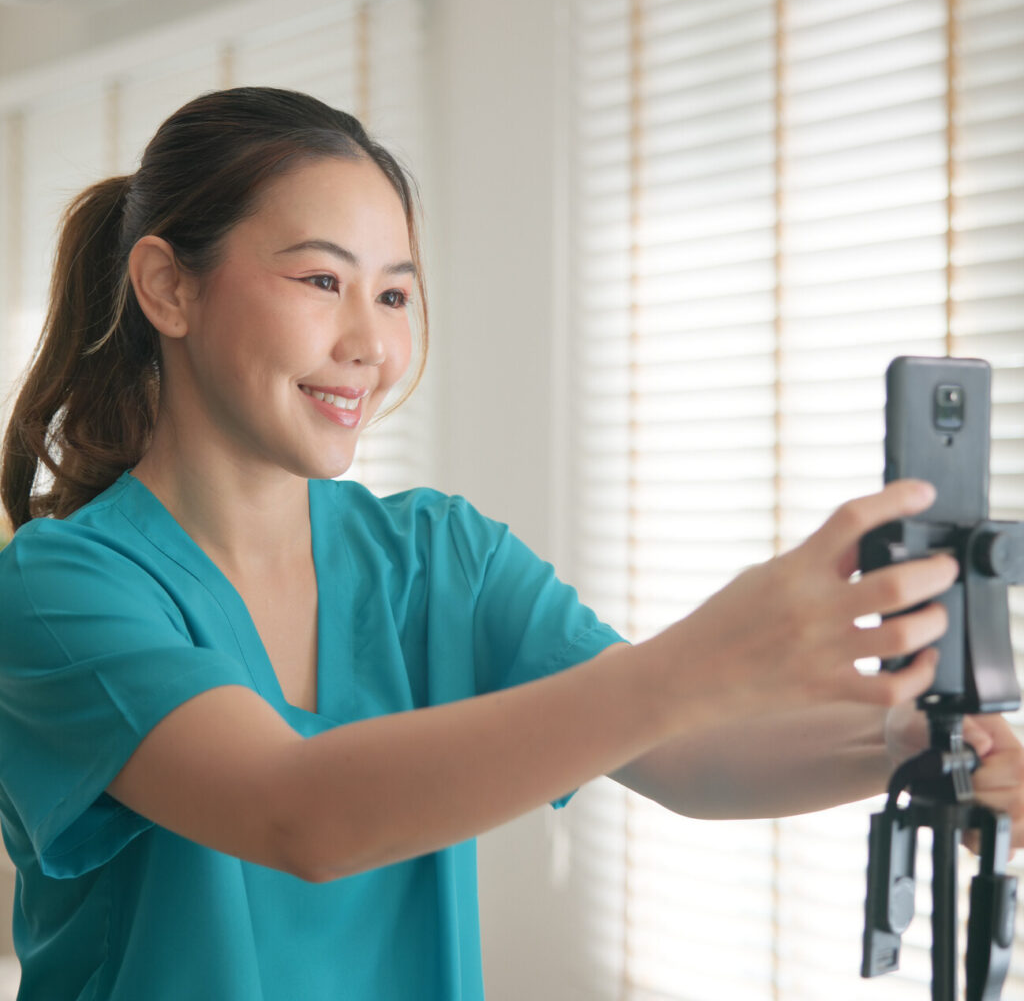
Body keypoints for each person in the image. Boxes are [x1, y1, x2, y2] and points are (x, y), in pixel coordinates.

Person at [0, 86, 1020, 1001]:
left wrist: (901, 750)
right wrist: (704, 658)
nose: (370, 342)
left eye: (394, 294)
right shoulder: (60, 590)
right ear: (169, 289)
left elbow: (680, 755)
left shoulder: (440, 557)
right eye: (322, 281)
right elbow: (296, 813)